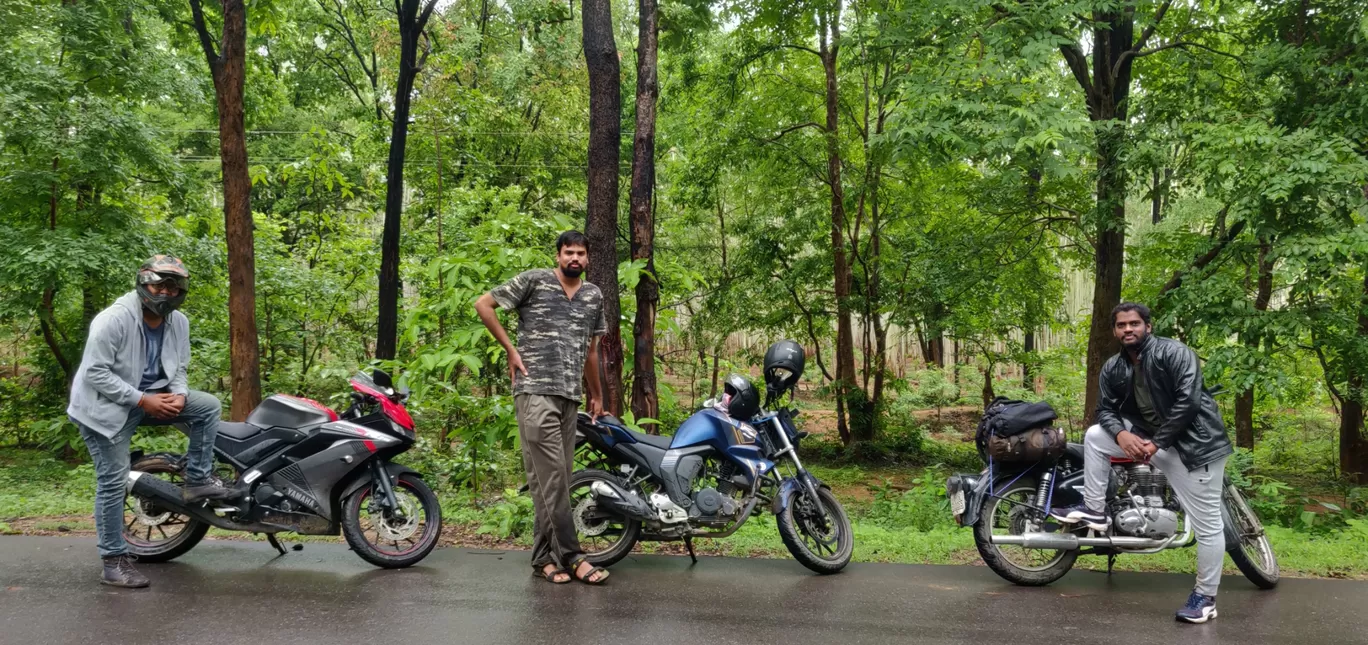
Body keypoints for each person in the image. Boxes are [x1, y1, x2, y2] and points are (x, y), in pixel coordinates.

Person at [1050, 302, 1233, 623]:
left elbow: (1188, 402)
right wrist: (1121, 435)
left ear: (1148, 326)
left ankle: (1205, 597)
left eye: (1134, 323)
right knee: (1095, 435)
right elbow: (1105, 410)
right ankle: (1094, 510)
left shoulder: (1175, 353)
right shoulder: (1113, 368)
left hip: (1193, 447)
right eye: (1121, 325)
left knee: (1208, 528)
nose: (1128, 330)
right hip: (1150, 440)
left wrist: (1156, 443)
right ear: (1115, 330)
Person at [67, 255, 232, 588]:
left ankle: (198, 479)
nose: (167, 293)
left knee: (207, 406)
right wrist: (144, 400)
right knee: (113, 481)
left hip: (151, 398)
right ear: (143, 283)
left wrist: (181, 394)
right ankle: (113, 561)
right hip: (104, 408)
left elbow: (180, 367)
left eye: (175, 287)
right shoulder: (113, 319)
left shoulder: (179, 322)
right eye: (160, 285)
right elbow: (95, 373)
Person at [474, 230, 611, 585]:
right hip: (535, 392)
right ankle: (573, 556)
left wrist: (596, 394)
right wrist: (510, 349)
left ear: (588, 258)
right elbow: (483, 305)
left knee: (554, 482)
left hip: (570, 397)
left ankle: (542, 560)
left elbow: (592, 351)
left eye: (581, 253)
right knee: (552, 479)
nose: (575, 258)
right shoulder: (534, 281)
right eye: (569, 252)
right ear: (558, 255)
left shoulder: (594, 295)